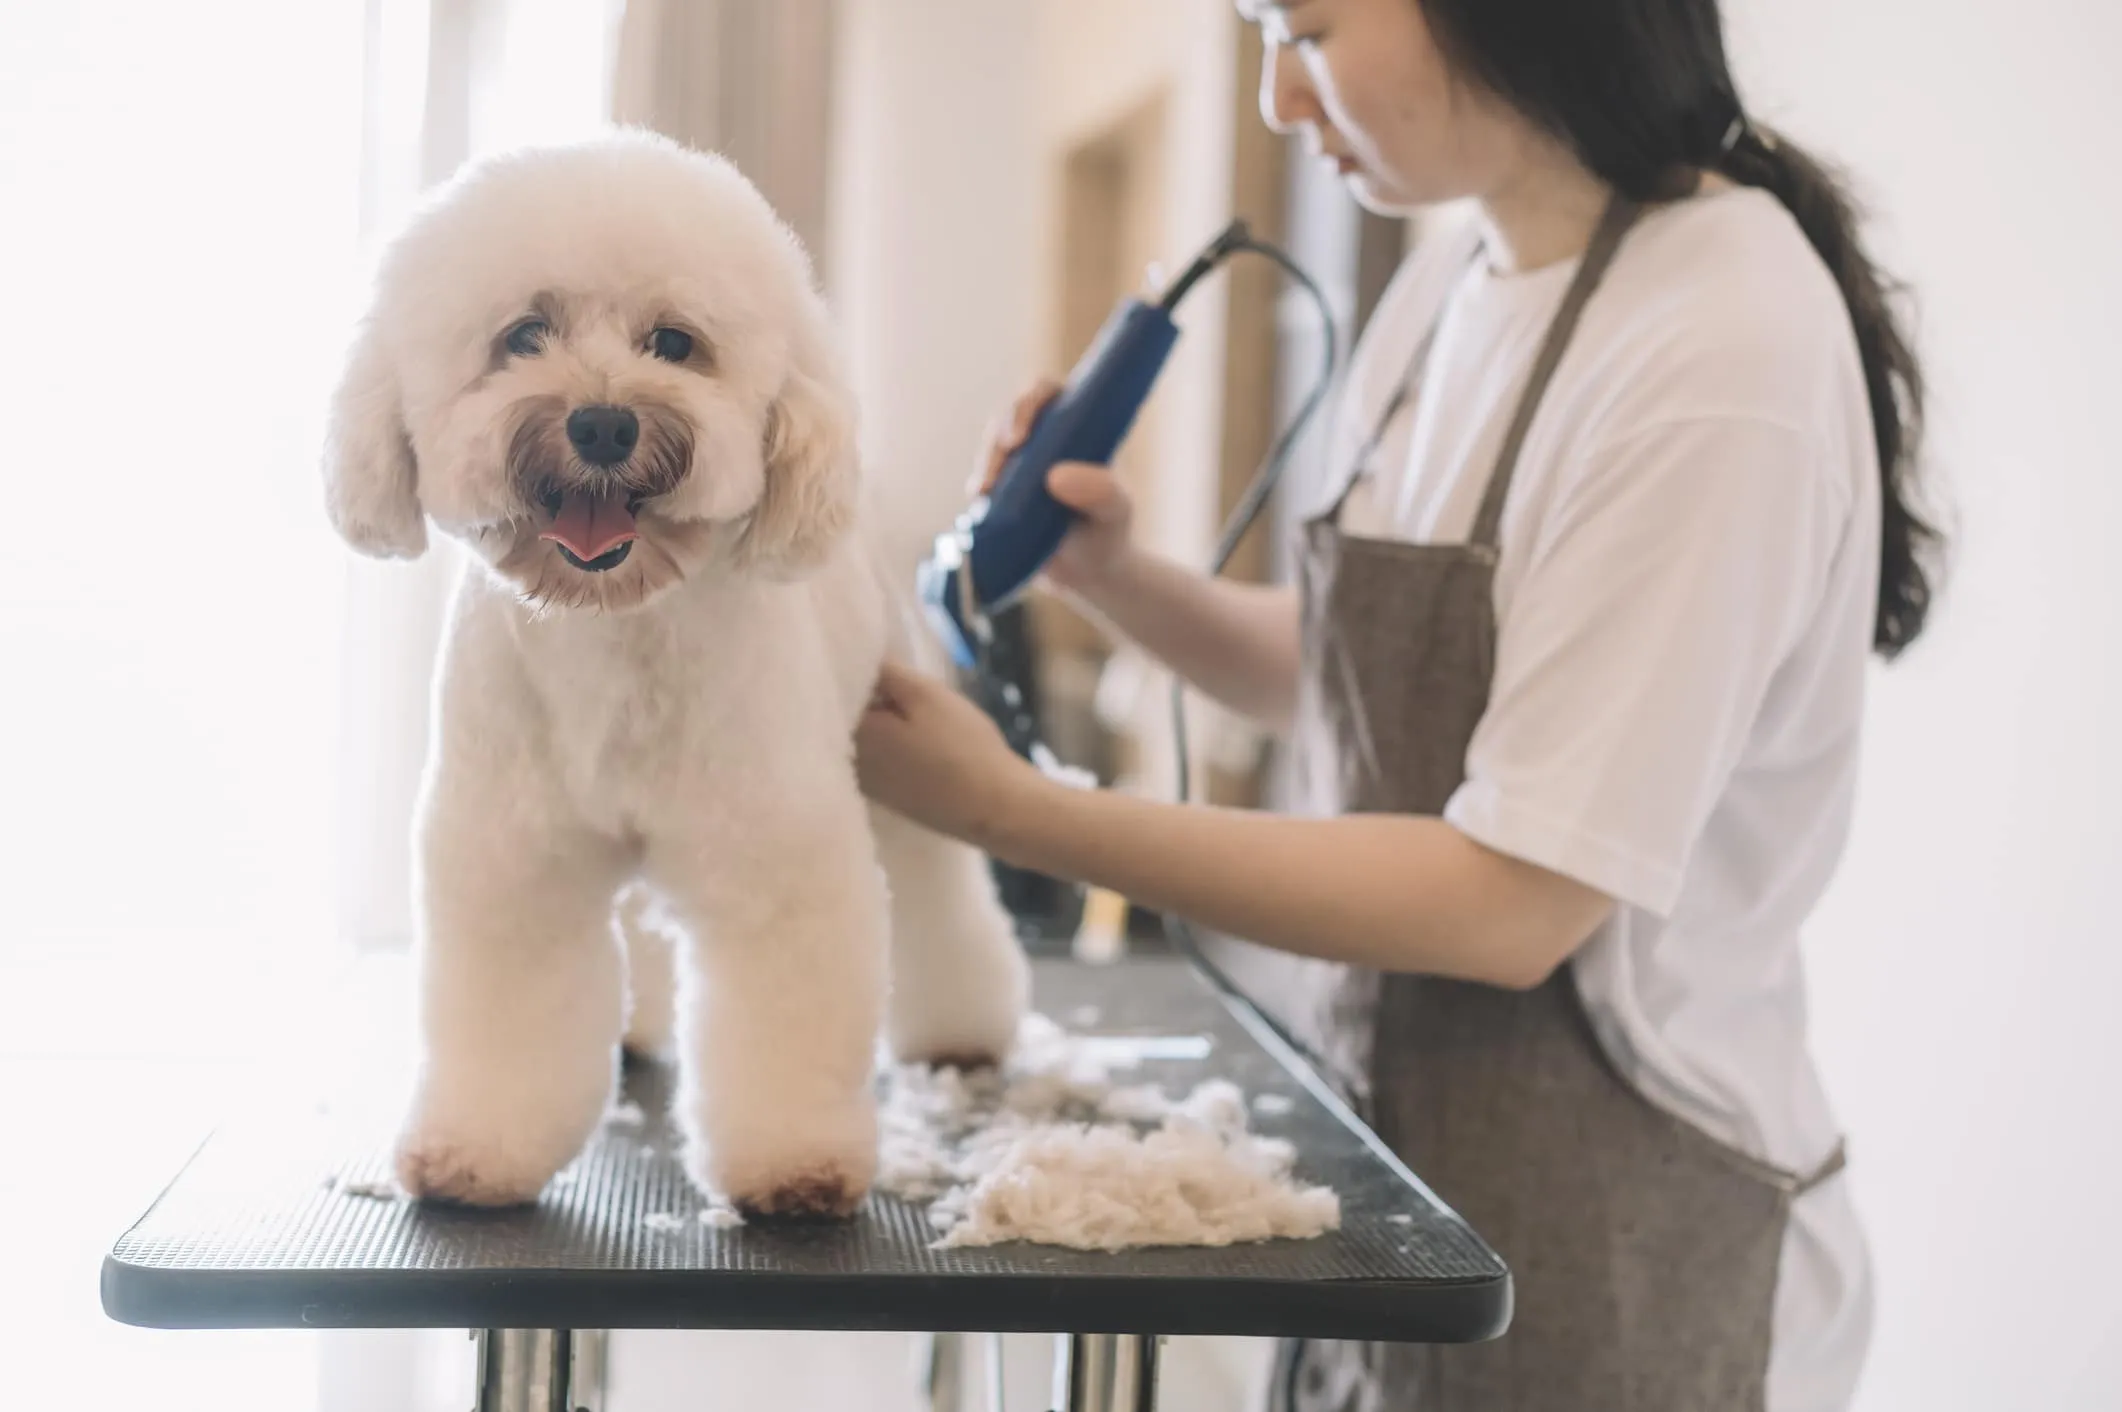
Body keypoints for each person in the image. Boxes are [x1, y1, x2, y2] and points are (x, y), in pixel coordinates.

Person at [854, 0, 1942, 1407]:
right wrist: (1116, 578)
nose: (1275, 103)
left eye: (1302, 30)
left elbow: (1510, 899)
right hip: (1400, 1175)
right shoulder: (1453, 281)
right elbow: (1367, 678)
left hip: (1634, 1235)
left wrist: (1016, 809)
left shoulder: (1717, 347)